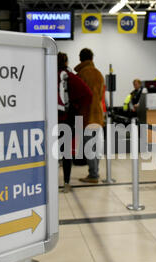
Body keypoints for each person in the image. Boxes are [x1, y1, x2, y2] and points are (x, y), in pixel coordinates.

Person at [57, 52, 92, 192]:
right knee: (66, 153)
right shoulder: (68, 76)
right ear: (66, 62)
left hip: (49, 119)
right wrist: (77, 108)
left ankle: (47, 182)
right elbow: (87, 94)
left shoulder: (46, 73)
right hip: (66, 119)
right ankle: (66, 183)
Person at [74, 48, 105, 183]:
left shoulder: (82, 74)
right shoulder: (99, 74)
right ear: (92, 58)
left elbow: (78, 96)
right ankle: (94, 172)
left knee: (88, 146)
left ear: (81, 58)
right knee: (96, 146)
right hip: (98, 114)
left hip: (86, 115)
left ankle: (93, 175)